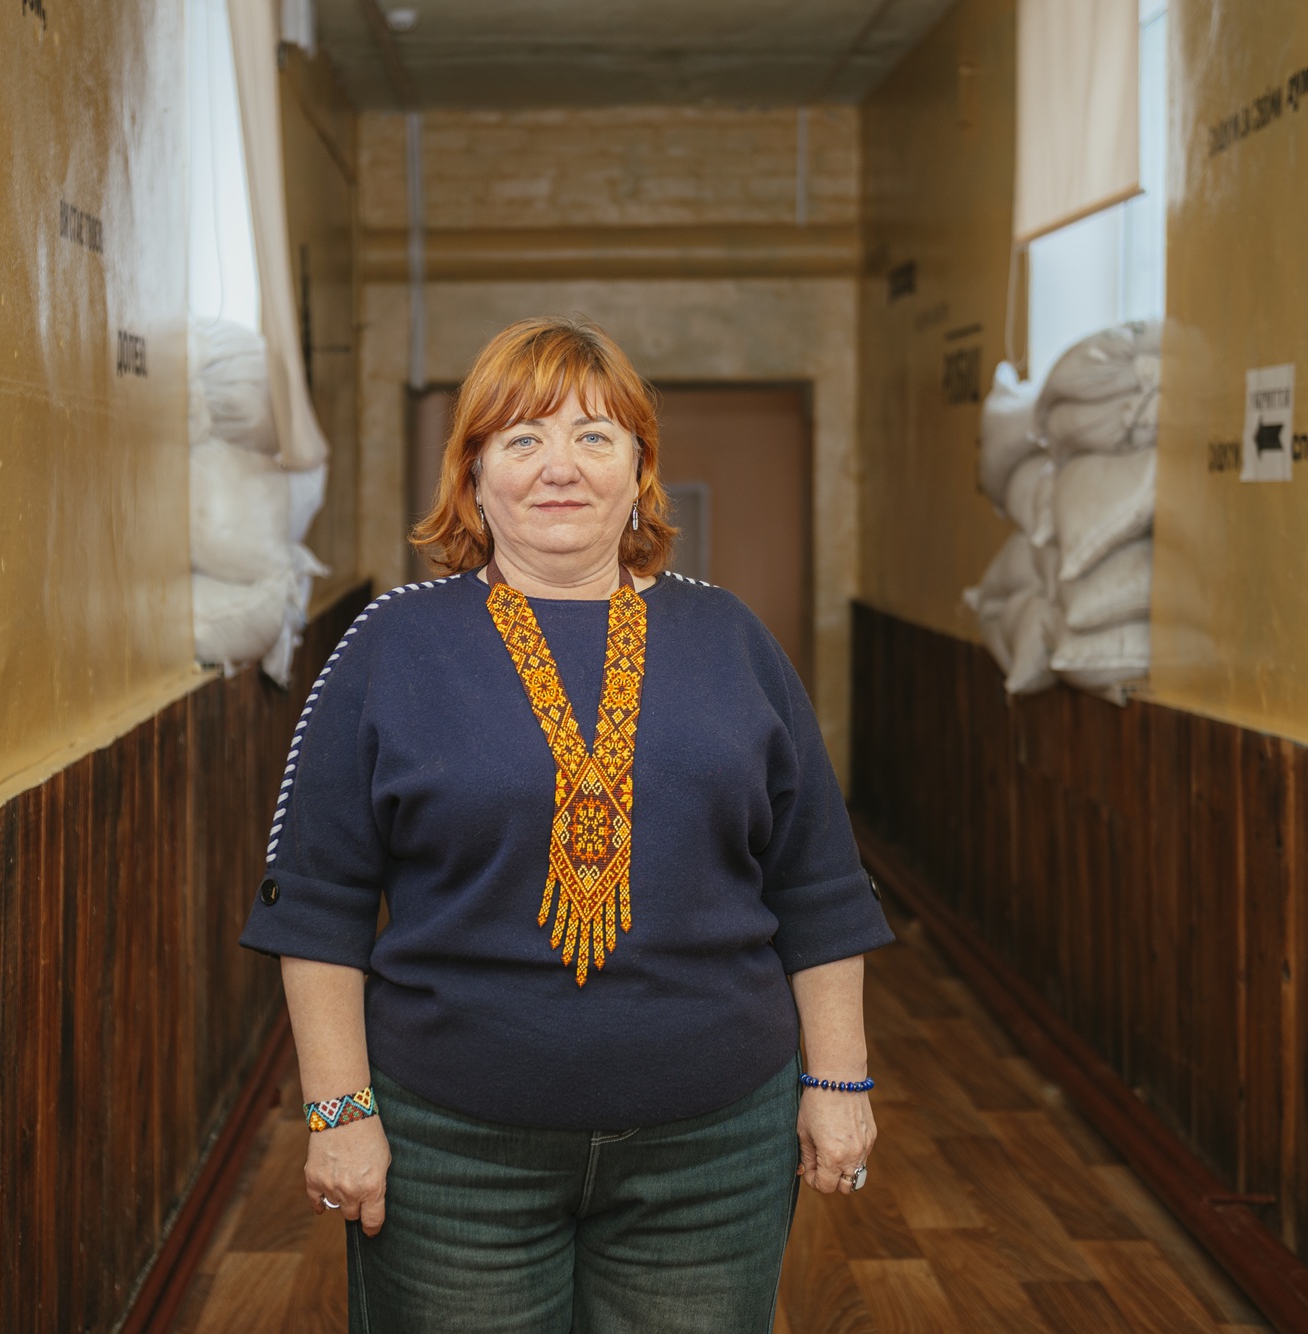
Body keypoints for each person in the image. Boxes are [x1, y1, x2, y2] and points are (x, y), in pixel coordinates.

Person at [239, 315, 893, 1333]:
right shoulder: (391, 645)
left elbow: (814, 883)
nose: (560, 466)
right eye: (522, 437)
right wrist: (337, 1110)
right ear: (473, 473)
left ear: (639, 469)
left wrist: (839, 1077)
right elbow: (315, 905)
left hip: (711, 1155)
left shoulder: (728, 638)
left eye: (594, 436)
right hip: (452, 1157)